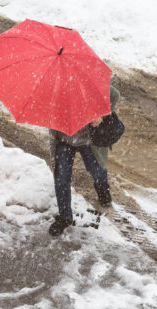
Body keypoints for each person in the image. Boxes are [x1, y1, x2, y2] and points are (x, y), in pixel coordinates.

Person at [48, 83, 121, 237]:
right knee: (61, 179)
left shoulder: (86, 81)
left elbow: (114, 95)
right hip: (63, 140)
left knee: (97, 170)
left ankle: (102, 188)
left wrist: (101, 114)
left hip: (87, 140)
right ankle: (65, 216)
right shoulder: (51, 85)